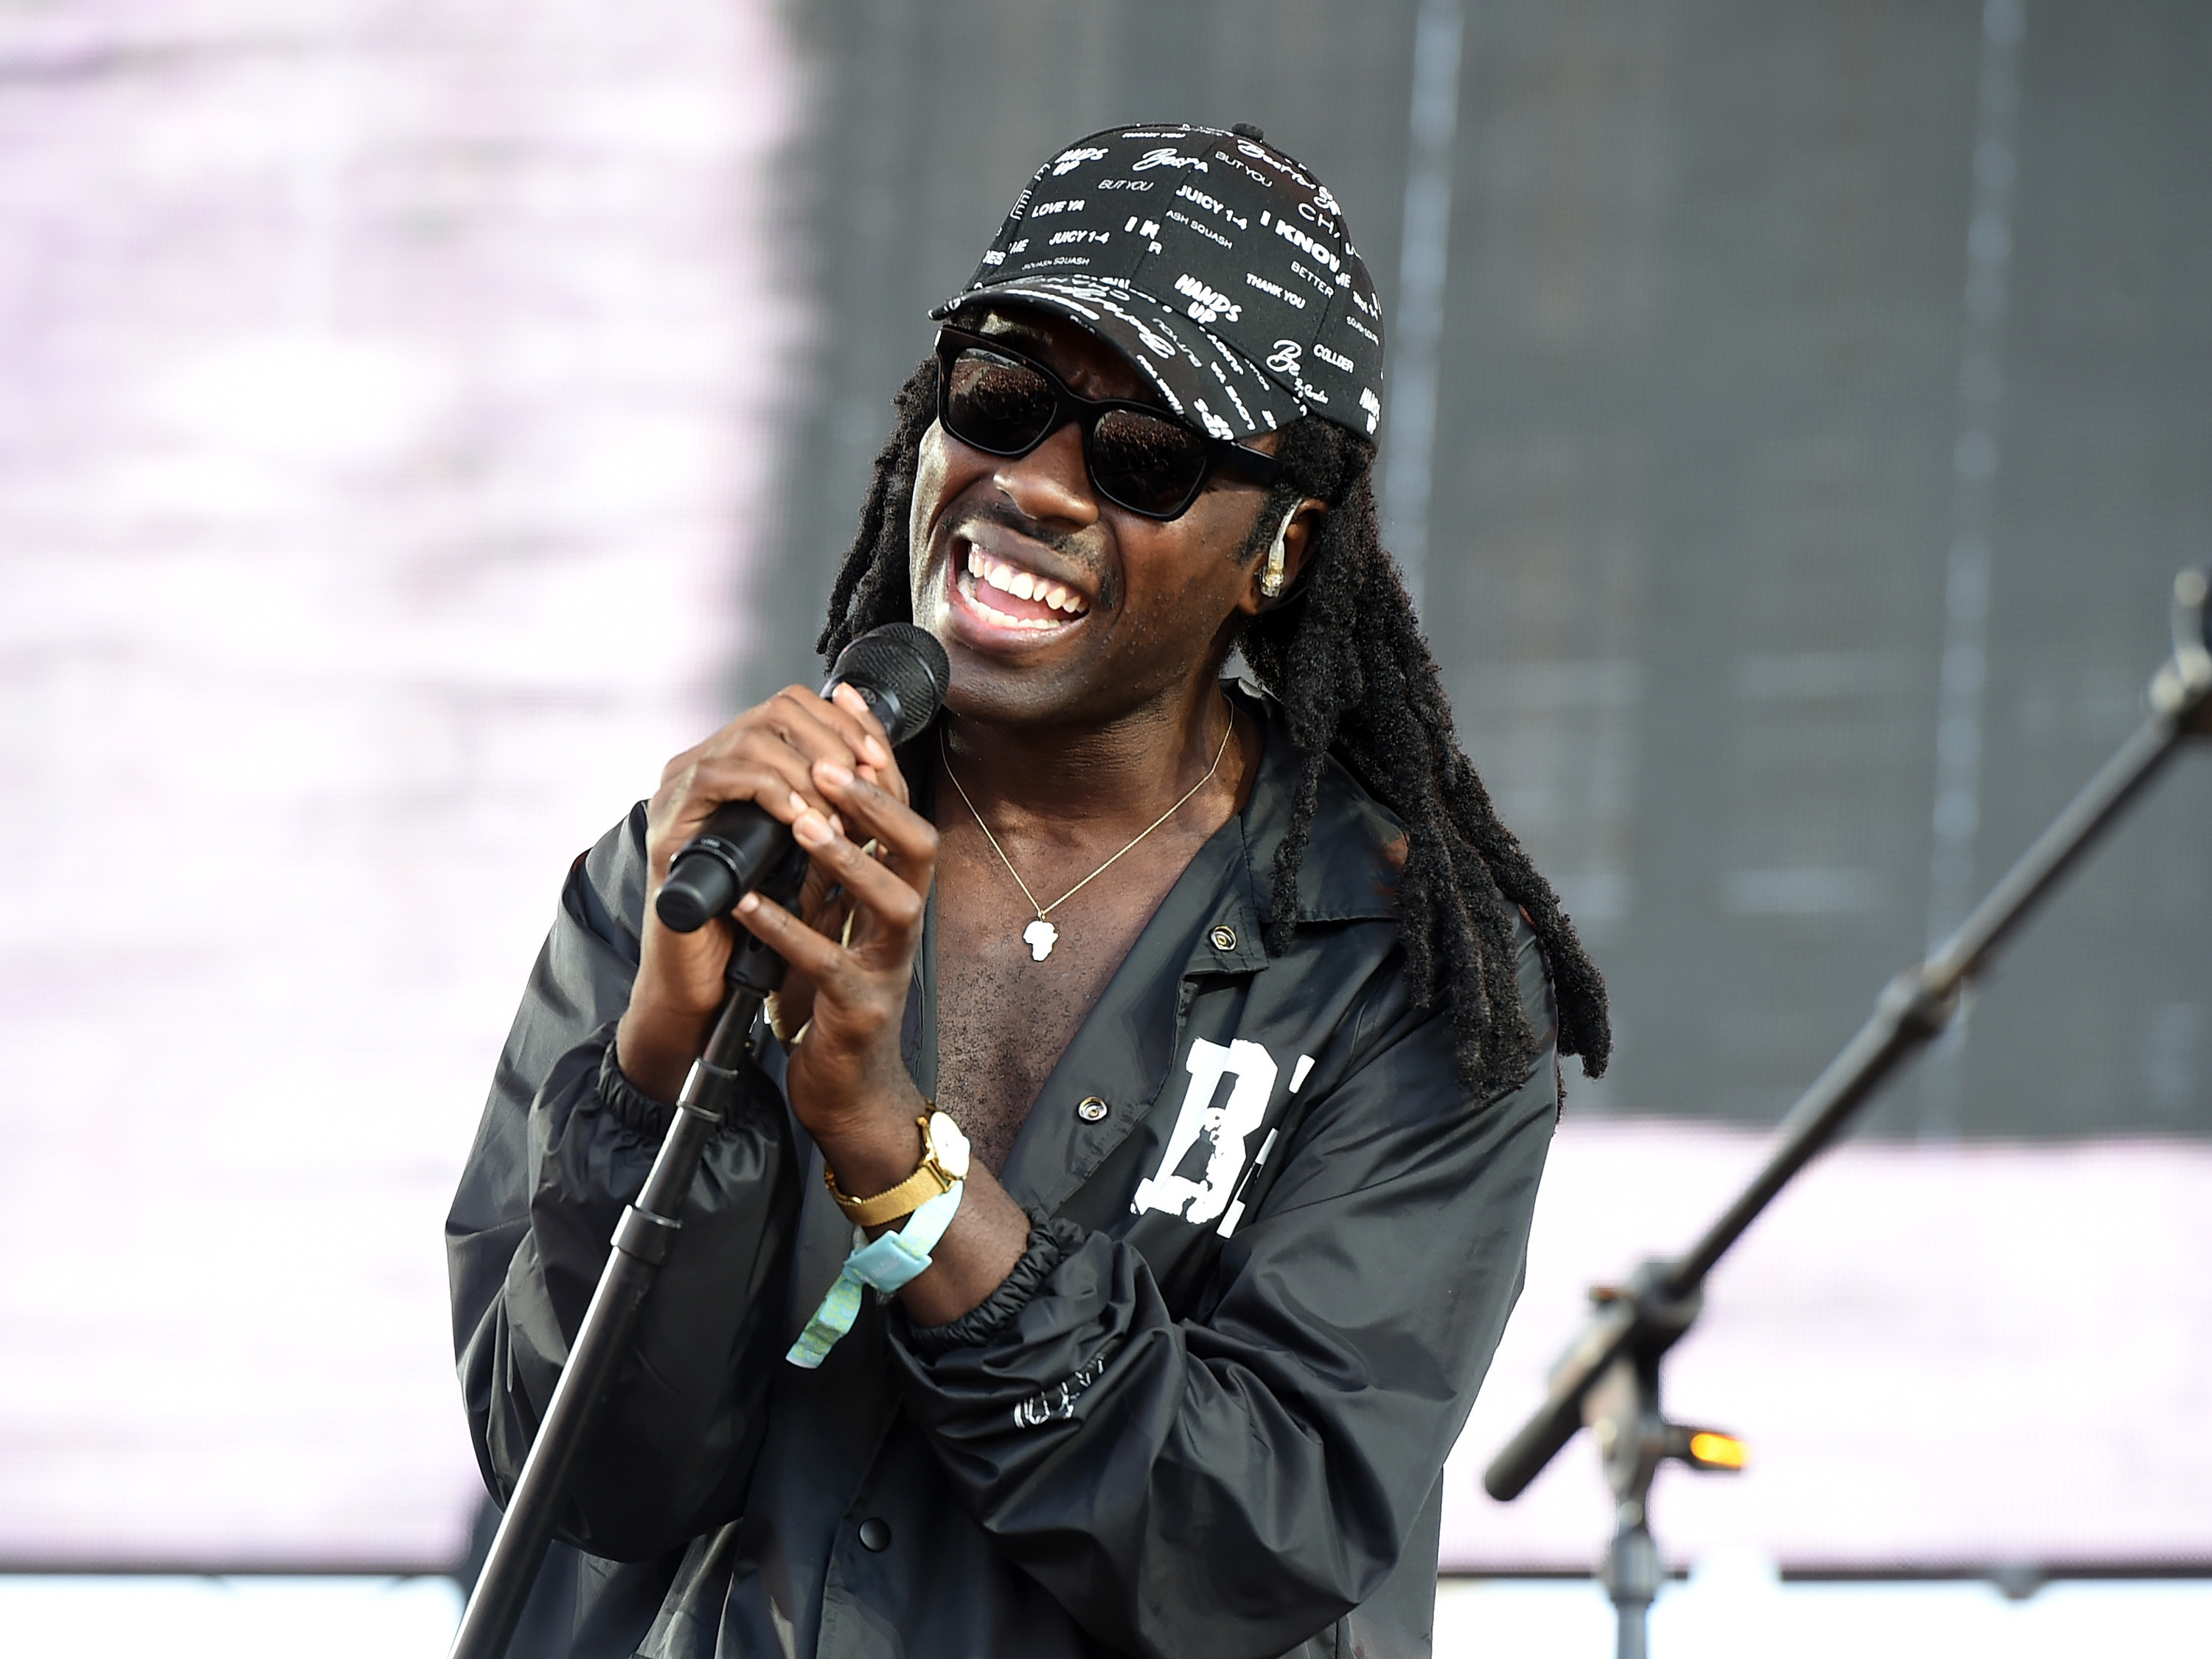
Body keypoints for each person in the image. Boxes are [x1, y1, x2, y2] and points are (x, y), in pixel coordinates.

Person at [448, 121, 1610, 1659]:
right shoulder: (696, 867)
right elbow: (577, 1483)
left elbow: (1249, 1545)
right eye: (1002, 402)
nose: (1040, 485)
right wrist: (664, 1070)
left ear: (1279, 548)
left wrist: (892, 1158)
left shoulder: (1404, 976)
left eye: (1144, 455)